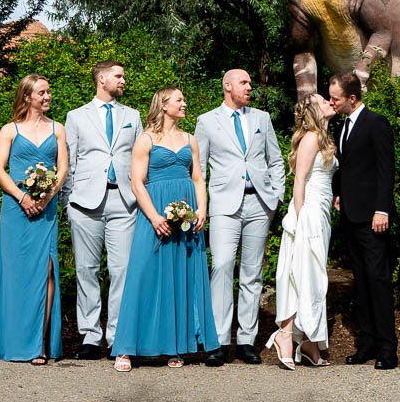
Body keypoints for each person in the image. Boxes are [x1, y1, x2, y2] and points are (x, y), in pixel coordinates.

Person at [112, 87, 220, 371]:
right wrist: (154, 217)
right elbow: (137, 182)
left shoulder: (189, 139)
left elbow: (198, 178)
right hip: (154, 213)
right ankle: (126, 349)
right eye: (179, 100)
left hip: (187, 215)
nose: (184, 103)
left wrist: (202, 209)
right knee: (143, 275)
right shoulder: (145, 140)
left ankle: (175, 346)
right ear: (163, 105)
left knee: (181, 277)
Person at [195, 68, 285, 366]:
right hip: (223, 204)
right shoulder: (206, 122)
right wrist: (202, 206)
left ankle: (246, 340)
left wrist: (276, 197)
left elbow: (276, 160)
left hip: (259, 203)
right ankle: (219, 341)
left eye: (249, 82)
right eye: (244, 83)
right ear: (227, 86)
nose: (249, 87)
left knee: (252, 273)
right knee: (221, 266)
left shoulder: (262, 119)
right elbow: (199, 168)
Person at [0, 74, 67, 364]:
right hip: (16, 210)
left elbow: (63, 169)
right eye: (42, 93)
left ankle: (39, 344)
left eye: (48, 92)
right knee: (15, 274)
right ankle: (12, 342)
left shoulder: (58, 129)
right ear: (28, 96)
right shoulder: (10, 130)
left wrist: (46, 198)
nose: (47, 97)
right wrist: (22, 198)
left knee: (46, 271)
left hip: (45, 210)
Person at [63, 60, 141, 360]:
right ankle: (90, 337)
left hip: (124, 201)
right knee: (86, 270)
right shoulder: (76, 116)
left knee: (121, 271)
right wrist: (69, 202)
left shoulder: (132, 116)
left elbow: (138, 160)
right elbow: (68, 161)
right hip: (84, 203)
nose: (123, 80)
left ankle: (117, 336)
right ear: (102, 79)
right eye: (119, 75)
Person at [328, 72, 398, 370]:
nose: (332, 102)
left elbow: (386, 169)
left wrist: (382, 209)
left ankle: (387, 349)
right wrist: (338, 193)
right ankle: (366, 343)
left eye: (336, 98)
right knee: (360, 282)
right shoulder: (342, 126)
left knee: (378, 281)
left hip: (372, 217)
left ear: (352, 98)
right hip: (350, 216)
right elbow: (347, 169)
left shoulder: (376, 123)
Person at [266, 93, 338, 368]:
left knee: (314, 276)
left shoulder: (323, 137)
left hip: (321, 212)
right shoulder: (310, 138)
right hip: (308, 212)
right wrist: (298, 218)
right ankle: (286, 334)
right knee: (303, 273)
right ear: (313, 110)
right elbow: (299, 181)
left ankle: (308, 342)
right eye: (323, 101)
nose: (330, 102)